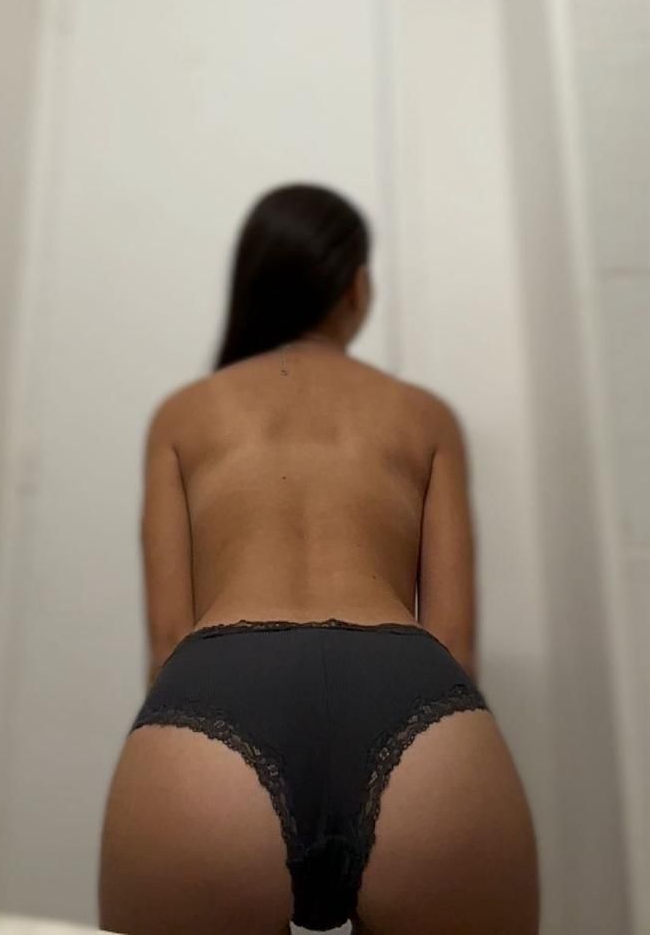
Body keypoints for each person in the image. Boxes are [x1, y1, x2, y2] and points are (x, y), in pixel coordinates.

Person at [99, 183, 539, 935]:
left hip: (214, 712)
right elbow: (454, 642)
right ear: (355, 286)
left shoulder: (183, 414)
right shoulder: (424, 416)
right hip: (416, 713)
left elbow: (168, 639)